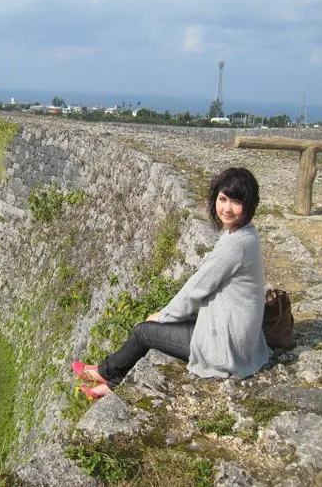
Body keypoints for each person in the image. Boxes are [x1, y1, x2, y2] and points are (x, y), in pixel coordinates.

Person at [73, 167, 270, 398]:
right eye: (223, 199)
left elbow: (197, 288)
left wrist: (164, 315)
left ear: (249, 205)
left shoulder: (235, 245)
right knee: (161, 328)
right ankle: (111, 384)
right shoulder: (246, 234)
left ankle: (103, 372)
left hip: (226, 349)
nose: (226, 208)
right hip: (240, 338)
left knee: (143, 333)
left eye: (235, 202)